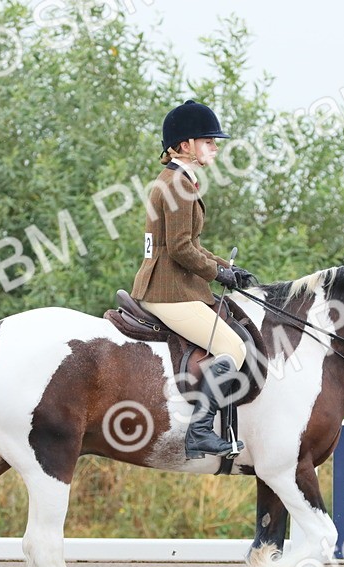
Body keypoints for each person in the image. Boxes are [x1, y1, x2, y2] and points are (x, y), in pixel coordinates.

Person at [131, 100, 256, 459]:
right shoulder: (178, 185)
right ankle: (200, 431)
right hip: (168, 291)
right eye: (209, 142)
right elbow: (181, 249)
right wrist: (218, 274)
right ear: (185, 145)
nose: (215, 148)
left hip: (171, 285)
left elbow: (192, 244)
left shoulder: (177, 180)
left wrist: (228, 268)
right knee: (233, 348)